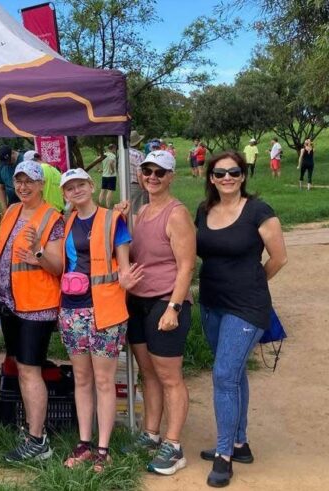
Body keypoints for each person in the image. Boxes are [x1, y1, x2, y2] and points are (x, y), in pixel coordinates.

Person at [195, 152, 287, 488]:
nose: (227, 178)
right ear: (211, 178)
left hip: (247, 307)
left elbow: (279, 258)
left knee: (222, 375)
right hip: (212, 303)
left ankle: (223, 455)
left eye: (234, 172)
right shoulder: (204, 211)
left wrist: (253, 283)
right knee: (233, 374)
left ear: (243, 175)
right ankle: (240, 442)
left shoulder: (258, 212)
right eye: (220, 173)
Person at [58, 168, 141, 473]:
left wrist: (127, 279)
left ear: (92, 186)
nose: (76, 190)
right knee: (82, 379)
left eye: (81, 185)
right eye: (70, 187)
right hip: (72, 309)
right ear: (65, 194)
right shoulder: (66, 223)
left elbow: (124, 264)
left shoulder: (111, 219)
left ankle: (103, 449)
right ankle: (84, 443)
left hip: (105, 311)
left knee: (104, 381)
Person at [124, 151, 196, 476]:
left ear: (171, 176)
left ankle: (174, 444)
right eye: (147, 171)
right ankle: (151, 434)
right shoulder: (141, 212)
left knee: (169, 377)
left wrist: (174, 307)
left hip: (164, 303)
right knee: (148, 373)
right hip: (137, 302)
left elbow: (186, 267)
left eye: (159, 172)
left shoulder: (176, 214)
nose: (152, 176)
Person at [0, 160, 64, 462]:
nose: (23, 187)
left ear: (41, 184)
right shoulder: (11, 211)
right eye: (19, 181)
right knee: (21, 366)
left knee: (31, 370)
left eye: (29, 181)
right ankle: (32, 429)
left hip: (37, 306)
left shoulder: (53, 218)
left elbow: (58, 266)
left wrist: (38, 253)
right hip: (11, 303)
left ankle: (38, 440)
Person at [128, 130, 148, 214]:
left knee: (130, 210)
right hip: (137, 185)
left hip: (127, 185)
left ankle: (130, 226)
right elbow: (140, 174)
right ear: (138, 143)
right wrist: (144, 187)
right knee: (140, 211)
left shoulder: (123, 153)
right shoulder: (139, 155)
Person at [0, 144, 21, 210]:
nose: (7, 164)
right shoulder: (2, 166)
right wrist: (5, 208)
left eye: (9, 160)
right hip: (12, 205)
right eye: (5, 162)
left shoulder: (24, 160)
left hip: (26, 205)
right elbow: (0, 188)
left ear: (12, 153)